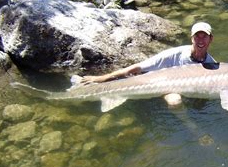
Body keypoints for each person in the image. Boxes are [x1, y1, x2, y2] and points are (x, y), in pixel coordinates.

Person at [81, 22, 217, 106]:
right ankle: (193, 130)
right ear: (191, 38)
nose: (200, 40)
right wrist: (100, 79)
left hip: (180, 86)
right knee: (175, 102)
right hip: (159, 84)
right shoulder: (175, 54)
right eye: (197, 36)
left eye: (204, 36)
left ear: (210, 39)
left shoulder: (211, 64)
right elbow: (137, 67)